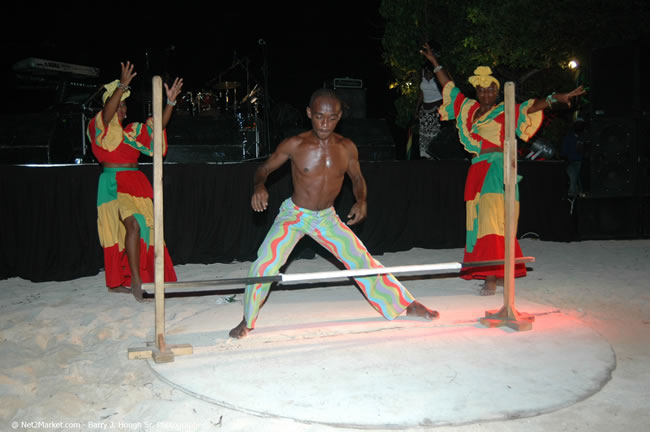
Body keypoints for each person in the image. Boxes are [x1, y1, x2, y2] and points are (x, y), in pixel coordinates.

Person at [229, 88, 439, 338]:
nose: (325, 124)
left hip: (327, 218)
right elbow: (263, 169)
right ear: (309, 113)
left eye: (331, 118)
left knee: (361, 258)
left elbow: (357, 179)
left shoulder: (346, 148)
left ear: (339, 117)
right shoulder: (294, 144)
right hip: (295, 216)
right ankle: (248, 319)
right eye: (319, 117)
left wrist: (361, 200)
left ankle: (406, 304)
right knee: (265, 261)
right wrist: (259, 186)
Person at [419, 43, 585, 295]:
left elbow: (531, 107)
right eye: (481, 89)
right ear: (477, 91)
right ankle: (493, 272)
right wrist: (434, 62)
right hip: (477, 170)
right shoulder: (469, 108)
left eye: (490, 89)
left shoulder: (505, 110)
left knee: (493, 223)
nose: (486, 93)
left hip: (497, 170)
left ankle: (492, 277)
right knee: (477, 224)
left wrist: (555, 99)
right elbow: (448, 86)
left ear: (497, 91)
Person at [88, 62, 183, 302]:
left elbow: (158, 126)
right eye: (118, 104)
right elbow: (107, 114)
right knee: (130, 227)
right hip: (113, 183)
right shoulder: (99, 127)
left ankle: (129, 279)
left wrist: (170, 102)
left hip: (135, 183)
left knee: (142, 229)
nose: (122, 109)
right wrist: (122, 85)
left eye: (124, 105)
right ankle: (136, 282)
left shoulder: (131, 132)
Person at [414, 62, 443, 159]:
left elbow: (445, 89)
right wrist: (417, 108)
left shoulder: (438, 71)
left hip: (437, 107)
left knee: (435, 131)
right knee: (424, 131)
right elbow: (421, 93)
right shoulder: (422, 72)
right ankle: (426, 154)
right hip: (425, 108)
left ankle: (436, 154)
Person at [561, 117, 587, 200]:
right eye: (578, 124)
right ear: (575, 125)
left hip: (583, 163)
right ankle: (571, 195)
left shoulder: (586, 136)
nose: (579, 126)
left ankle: (579, 195)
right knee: (573, 176)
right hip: (571, 162)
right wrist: (566, 161)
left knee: (580, 179)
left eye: (581, 124)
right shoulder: (569, 136)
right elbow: (564, 151)